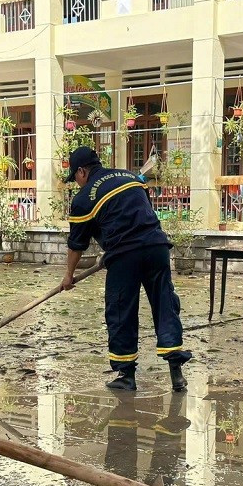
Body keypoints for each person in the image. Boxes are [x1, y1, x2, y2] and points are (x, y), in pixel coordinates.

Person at [60, 146, 191, 393]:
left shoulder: (84, 198)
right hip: (157, 247)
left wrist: (68, 276)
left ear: (81, 171)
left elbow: (77, 243)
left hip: (125, 256)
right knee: (165, 305)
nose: (76, 184)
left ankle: (126, 375)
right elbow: (138, 213)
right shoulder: (130, 177)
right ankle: (177, 373)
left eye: (75, 178)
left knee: (121, 310)